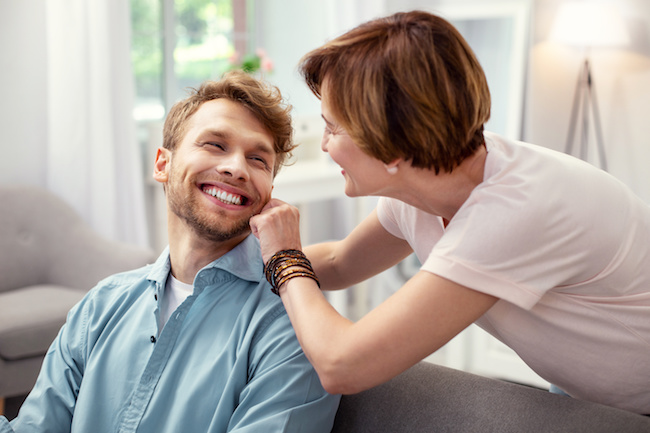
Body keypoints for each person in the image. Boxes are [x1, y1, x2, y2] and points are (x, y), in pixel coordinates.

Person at [249, 10, 650, 415]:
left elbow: (342, 365)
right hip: (582, 389)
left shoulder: (514, 210)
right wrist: (236, 254)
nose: (324, 145)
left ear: (391, 146)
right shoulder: (425, 182)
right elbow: (340, 262)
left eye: (333, 129)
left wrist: (284, 256)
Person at [0, 70, 340, 433]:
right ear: (163, 164)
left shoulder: (293, 328)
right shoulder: (99, 307)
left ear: (270, 189)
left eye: (258, 160)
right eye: (215, 144)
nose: (237, 168)